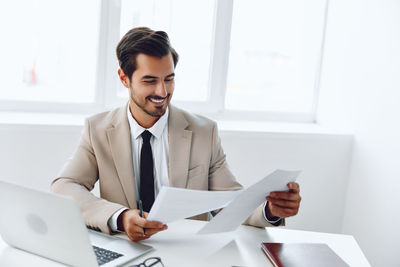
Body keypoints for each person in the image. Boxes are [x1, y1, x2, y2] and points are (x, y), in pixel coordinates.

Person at [51, 27, 301, 242]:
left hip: (188, 255)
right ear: (124, 78)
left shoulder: (204, 132)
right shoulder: (98, 129)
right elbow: (65, 186)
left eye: (169, 79)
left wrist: (271, 210)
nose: (162, 91)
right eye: (149, 81)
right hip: (126, 249)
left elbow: (232, 204)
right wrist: (120, 216)